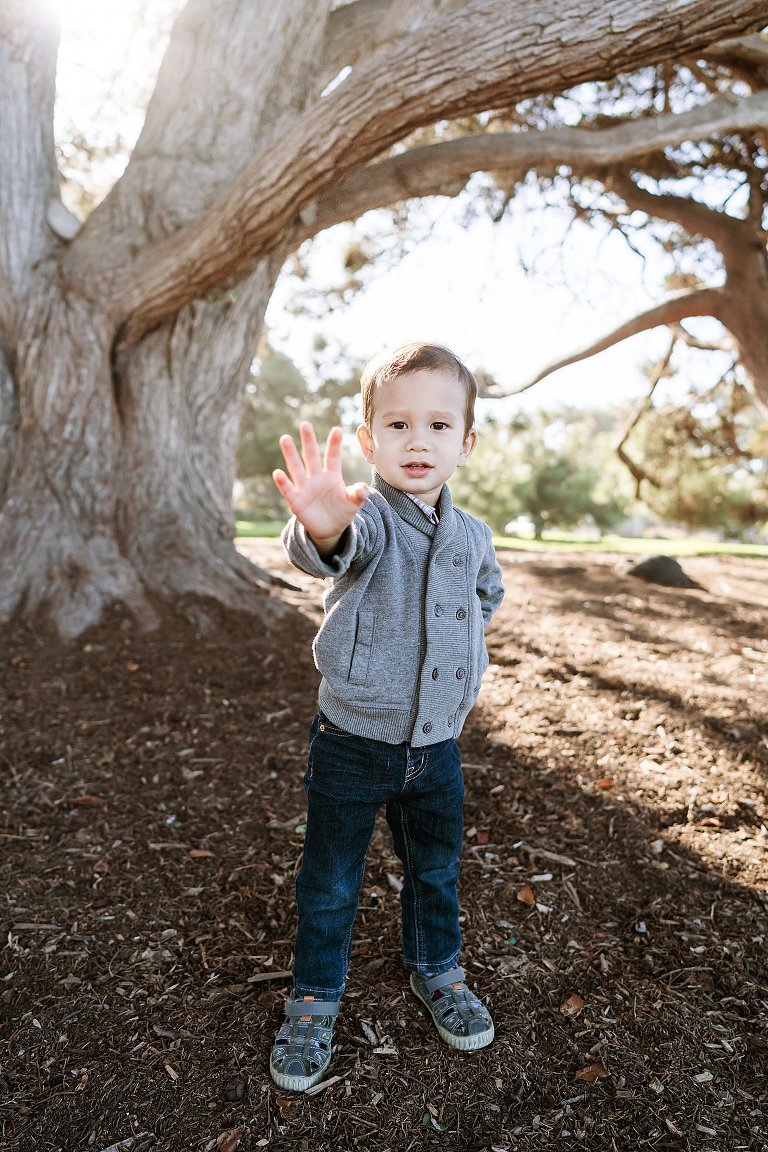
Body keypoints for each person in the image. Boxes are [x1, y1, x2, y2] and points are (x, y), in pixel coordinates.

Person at [269, 341, 505, 1092]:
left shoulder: (472, 535)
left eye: (439, 425)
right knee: (332, 879)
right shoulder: (366, 518)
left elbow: (486, 594)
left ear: (465, 444)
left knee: (434, 870)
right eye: (397, 426)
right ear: (369, 441)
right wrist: (323, 527)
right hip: (352, 743)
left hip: (437, 746)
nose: (418, 442)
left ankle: (437, 969)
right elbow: (330, 548)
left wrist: (465, 650)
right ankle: (313, 1000)